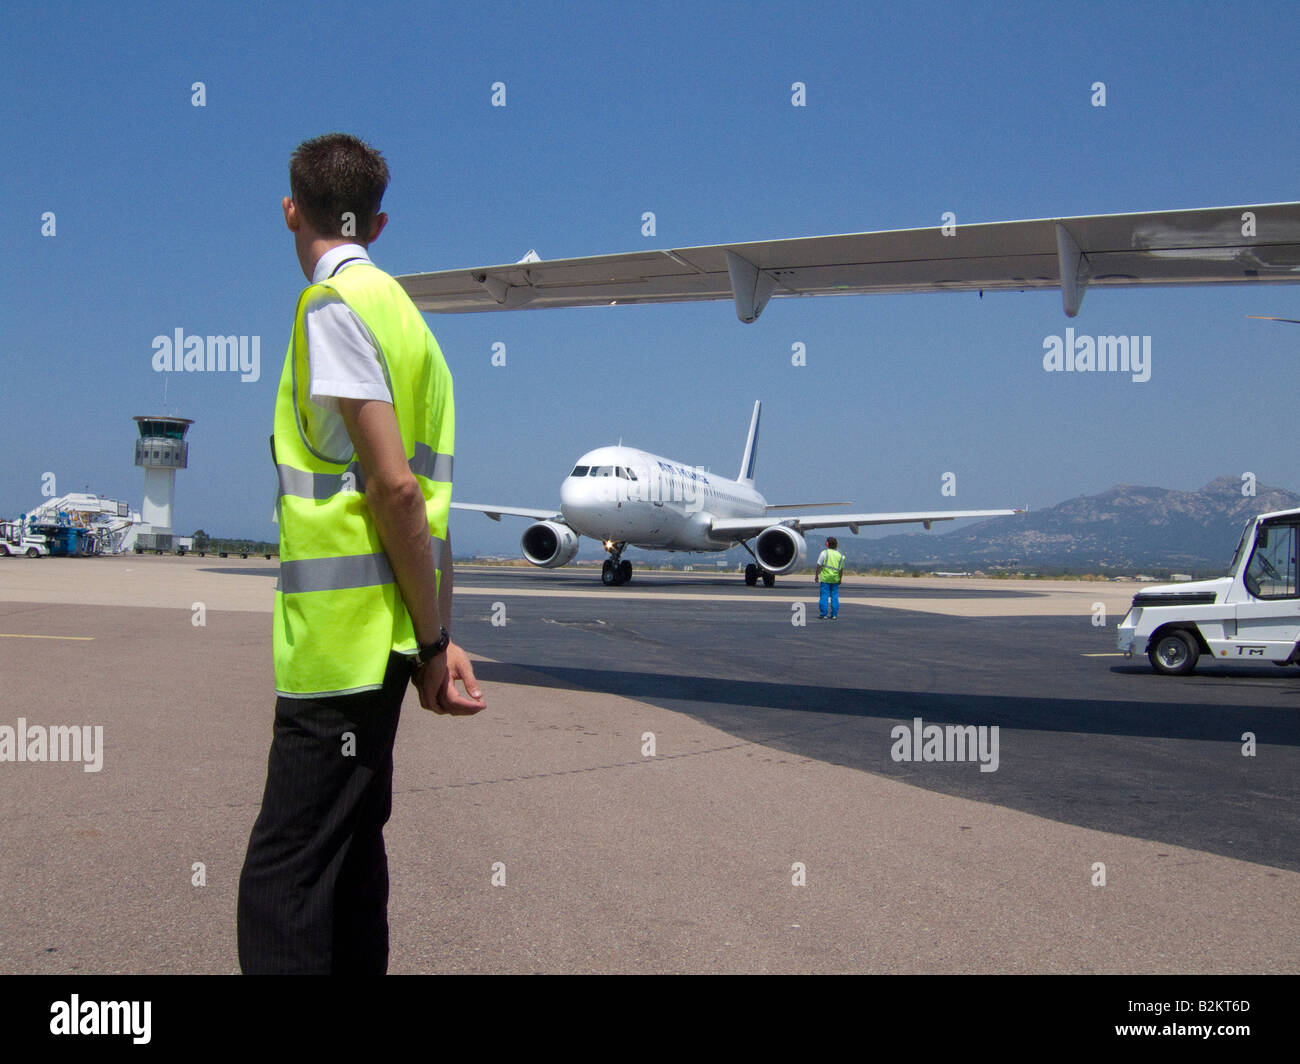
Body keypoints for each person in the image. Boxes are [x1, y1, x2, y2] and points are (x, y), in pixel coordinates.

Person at [237, 133, 486, 975]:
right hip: (385, 646)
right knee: (349, 864)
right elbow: (429, 496)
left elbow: (396, 491)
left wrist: (432, 637)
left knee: (287, 876)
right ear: (377, 222)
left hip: (340, 649)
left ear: (288, 210)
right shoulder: (411, 322)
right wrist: (432, 635)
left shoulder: (332, 308)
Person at [815, 536, 845, 619]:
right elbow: (841, 570)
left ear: (827, 544)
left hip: (825, 578)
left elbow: (819, 566)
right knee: (834, 596)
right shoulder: (840, 556)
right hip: (835, 578)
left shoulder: (824, 553)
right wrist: (840, 579)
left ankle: (823, 613)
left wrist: (817, 576)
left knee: (824, 596)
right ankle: (834, 614)